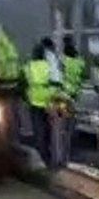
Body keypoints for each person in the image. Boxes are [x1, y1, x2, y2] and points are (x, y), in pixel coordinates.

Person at [23, 39, 65, 167]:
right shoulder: (49, 65)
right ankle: (56, 158)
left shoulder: (28, 66)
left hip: (35, 102)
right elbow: (58, 81)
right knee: (53, 131)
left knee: (39, 131)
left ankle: (43, 157)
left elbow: (24, 83)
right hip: (51, 101)